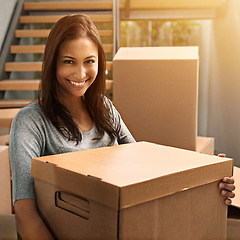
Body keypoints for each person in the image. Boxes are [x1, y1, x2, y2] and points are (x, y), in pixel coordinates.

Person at [9, 14, 235, 240]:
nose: (80, 74)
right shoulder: (30, 122)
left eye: (89, 61)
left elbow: (143, 172)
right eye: (69, 61)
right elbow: (25, 215)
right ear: (52, 63)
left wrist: (208, 180)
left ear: (99, 62)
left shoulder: (104, 109)